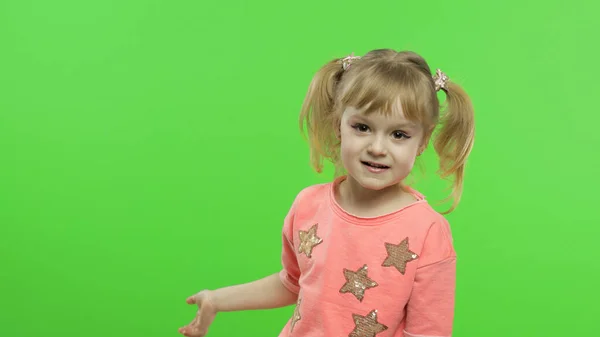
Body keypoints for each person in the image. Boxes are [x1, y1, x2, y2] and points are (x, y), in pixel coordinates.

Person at [178, 49, 475, 337]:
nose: (377, 147)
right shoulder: (308, 204)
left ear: (421, 142)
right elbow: (293, 283)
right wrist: (217, 300)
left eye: (399, 134)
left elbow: (427, 332)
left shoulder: (428, 232)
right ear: (338, 126)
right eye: (362, 127)